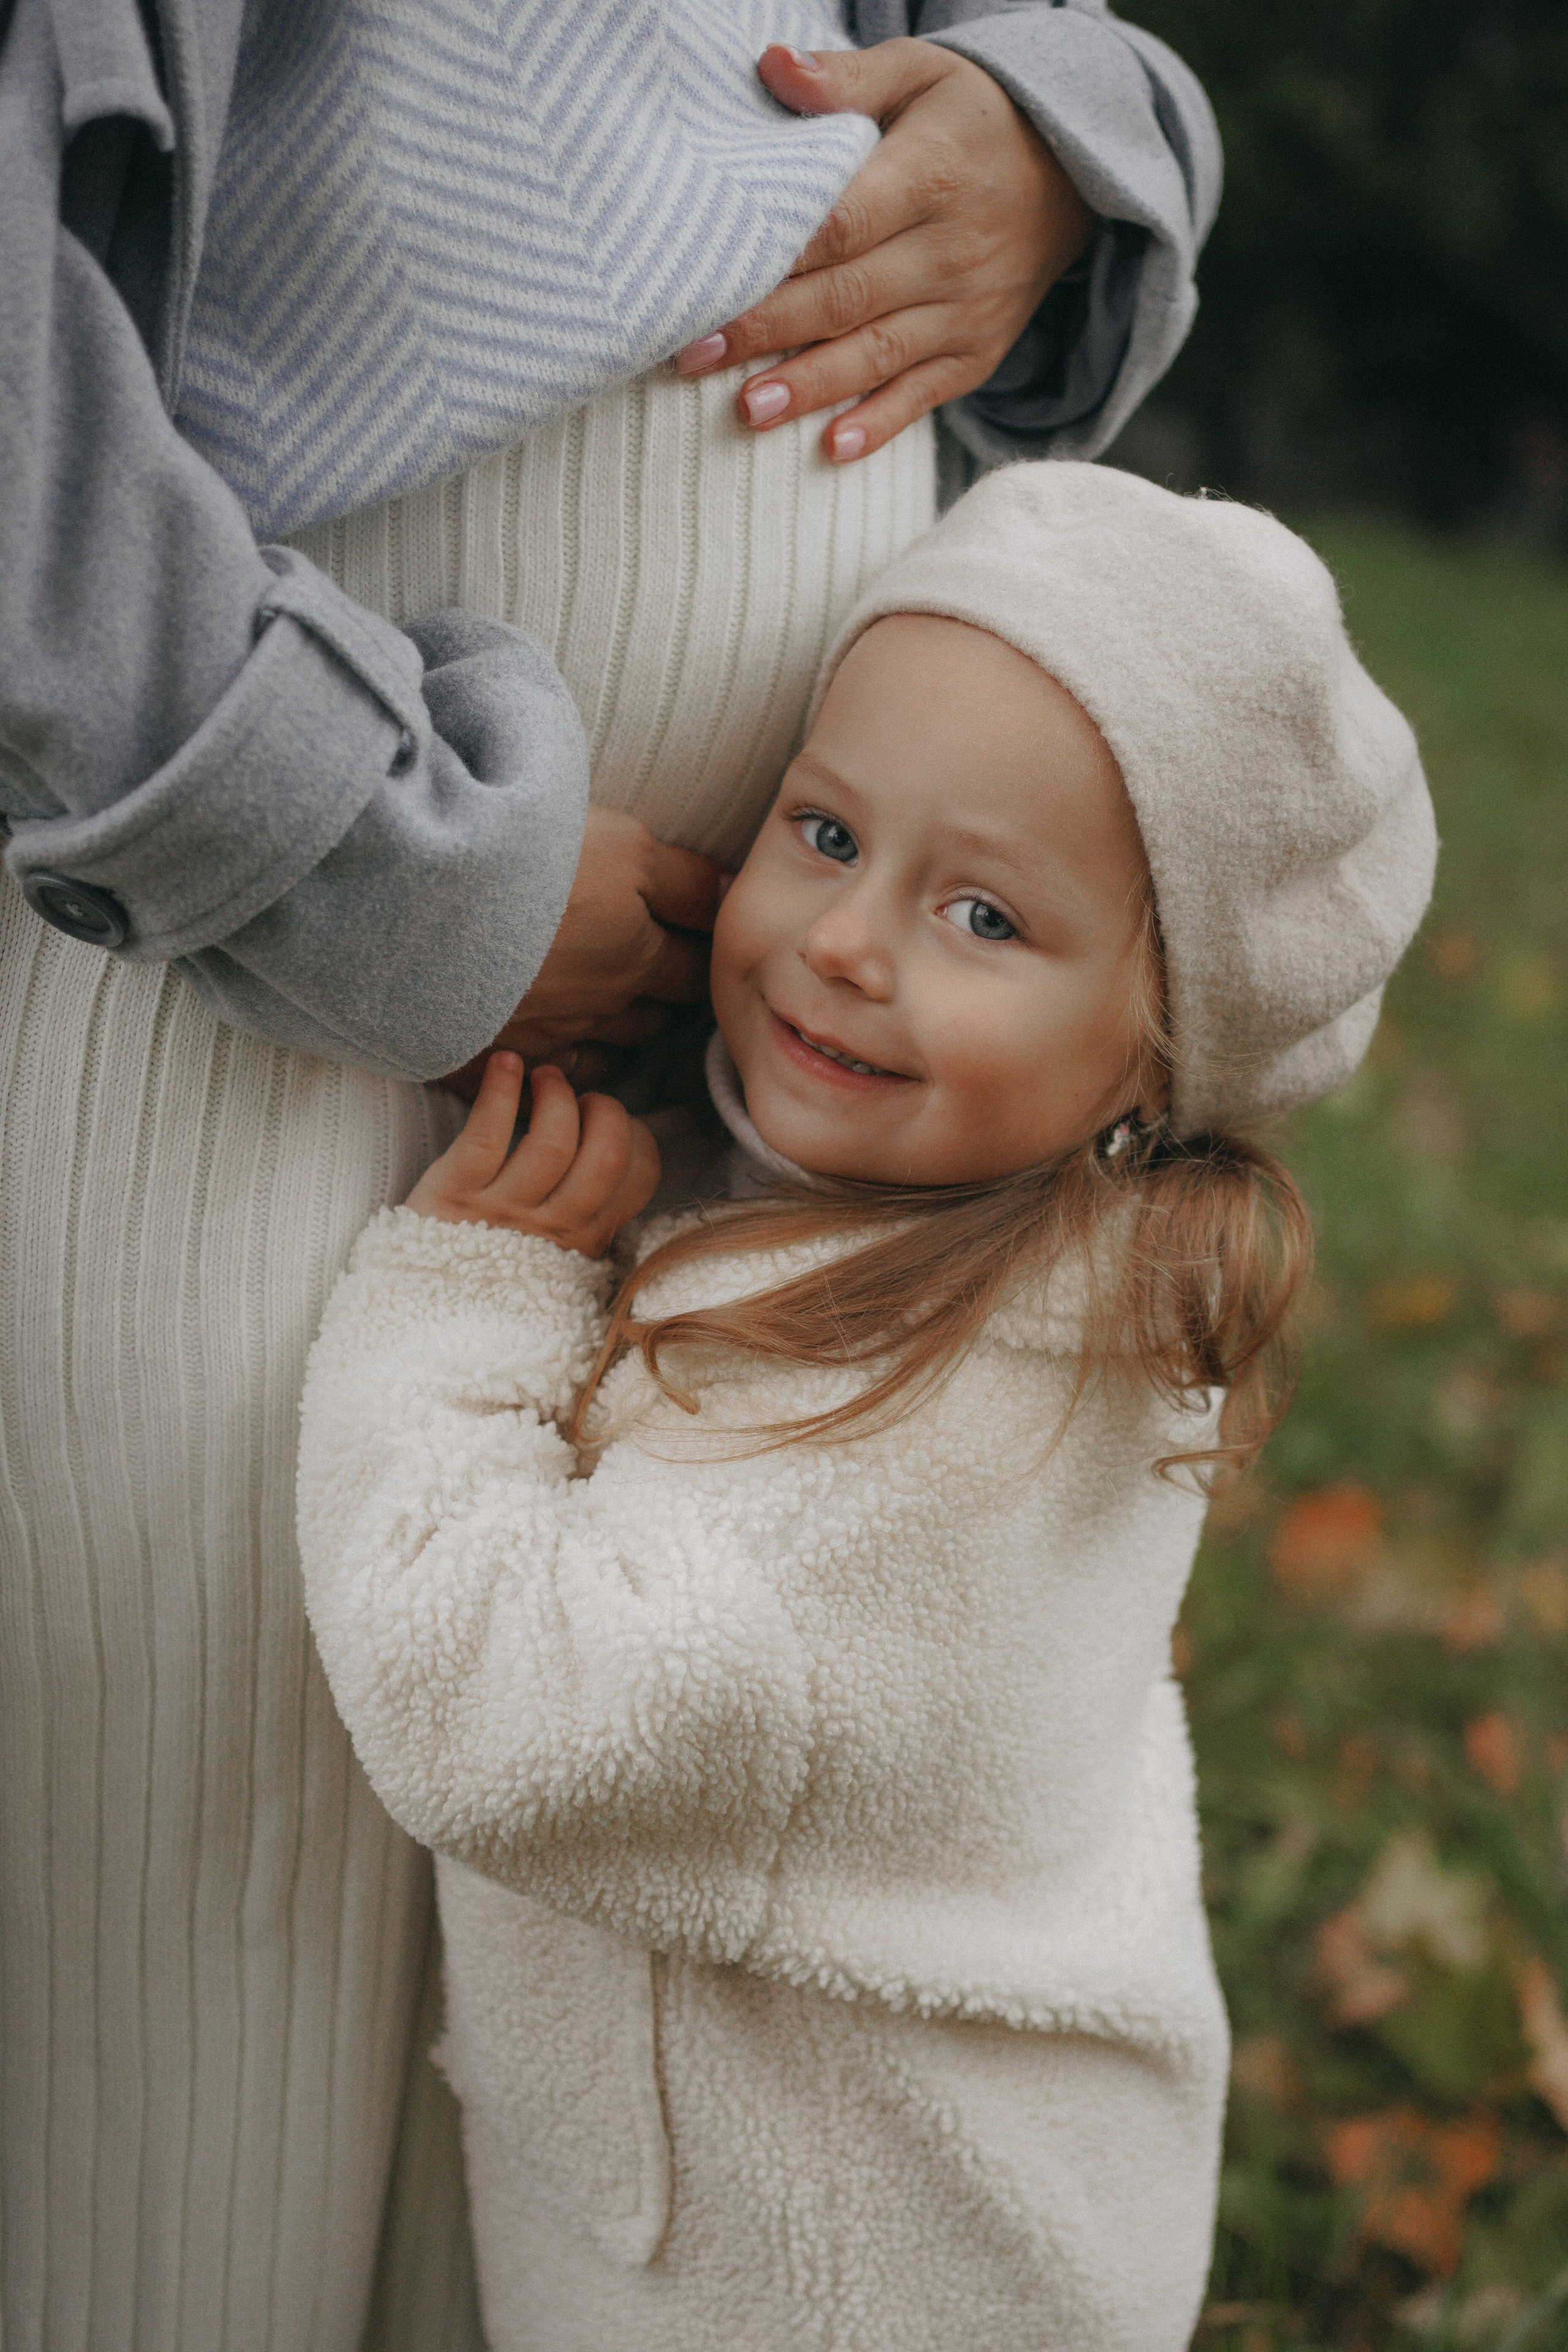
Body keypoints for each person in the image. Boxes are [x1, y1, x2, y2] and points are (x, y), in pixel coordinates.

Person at [1, 5, 1218, 2342]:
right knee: (167, 2084)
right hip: (202, 972)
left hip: (721, 1113)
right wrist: (360, 856)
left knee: (558, 2094)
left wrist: (1078, 126)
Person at [294, 463, 1439, 2350]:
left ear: (1157, 1055)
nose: (844, 939)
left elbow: (505, 1706)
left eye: (984, 915)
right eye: (824, 833)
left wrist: (466, 1293)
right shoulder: (1021, 1253)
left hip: (854, 2271)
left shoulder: (939, 1440)